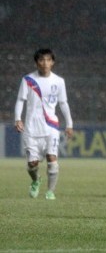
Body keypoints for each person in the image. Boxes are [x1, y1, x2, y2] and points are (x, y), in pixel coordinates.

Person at [14, 48, 74, 200]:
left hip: (51, 126)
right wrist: (17, 118)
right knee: (32, 164)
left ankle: (50, 191)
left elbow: (63, 103)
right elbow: (20, 100)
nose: (45, 63)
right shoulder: (28, 80)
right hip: (32, 128)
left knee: (52, 158)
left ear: (52, 62)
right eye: (41, 60)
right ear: (36, 63)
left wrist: (69, 124)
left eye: (48, 60)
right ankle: (35, 180)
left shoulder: (59, 81)